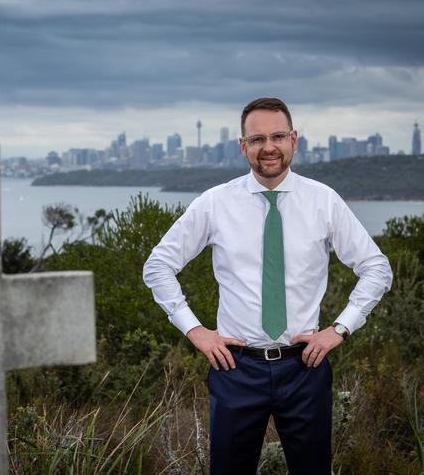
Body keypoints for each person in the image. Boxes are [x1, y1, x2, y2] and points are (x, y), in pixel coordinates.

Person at [142, 97, 393, 475]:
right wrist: (194, 331)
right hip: (236, 368)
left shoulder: (323, 202)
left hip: (305, 367)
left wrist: (339, 330)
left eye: (277, 136)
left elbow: (377, 268)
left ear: (294, 140)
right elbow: (158, 265)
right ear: (243, 147)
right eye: (257, 139)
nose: (269, 147)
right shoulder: (214, 204)